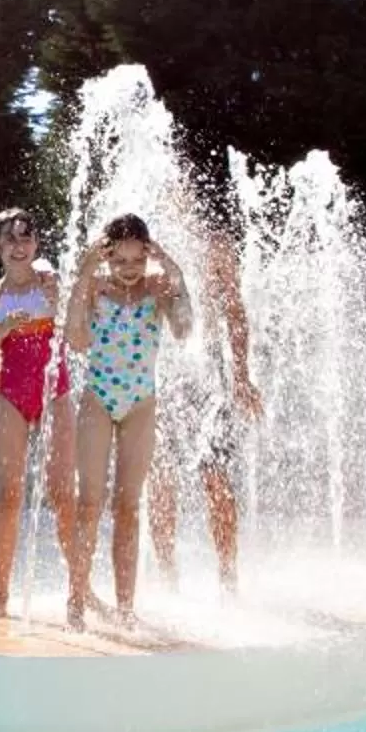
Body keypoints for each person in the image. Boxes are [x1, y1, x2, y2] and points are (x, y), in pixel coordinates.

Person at [63, 213, 192, 623]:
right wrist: (83, 275)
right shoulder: (95, 288)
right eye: (119, 260)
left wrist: (175, 271)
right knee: (89, 503)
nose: (129, 269)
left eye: (138, 260)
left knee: (128, 506)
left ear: (149, 255)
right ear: (106, 257)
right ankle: (76, 600)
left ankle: (125, 608)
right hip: (98, 400)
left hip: (140, 404)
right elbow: (75, 340)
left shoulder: (158, 288)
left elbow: (184, 329)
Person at [0, 208, 80, 618]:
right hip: (9, 397)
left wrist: (60, 301)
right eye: (10, 239)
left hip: (55, 394)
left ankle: (79, 593)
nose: (19, 246)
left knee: (63, 494)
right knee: (8, 497)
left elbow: (79, 333)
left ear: (37, 244)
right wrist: (1, 330)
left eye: (26, 238)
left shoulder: (52, 285)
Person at [148, 222, 263, 593]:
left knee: (215, 477)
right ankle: (167, 577)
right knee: (161, 476)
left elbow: (235, 313)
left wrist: (242, 377)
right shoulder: (150, 240)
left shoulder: (217, 243)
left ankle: (228, 577)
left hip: (208, 377)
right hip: (161, 374)